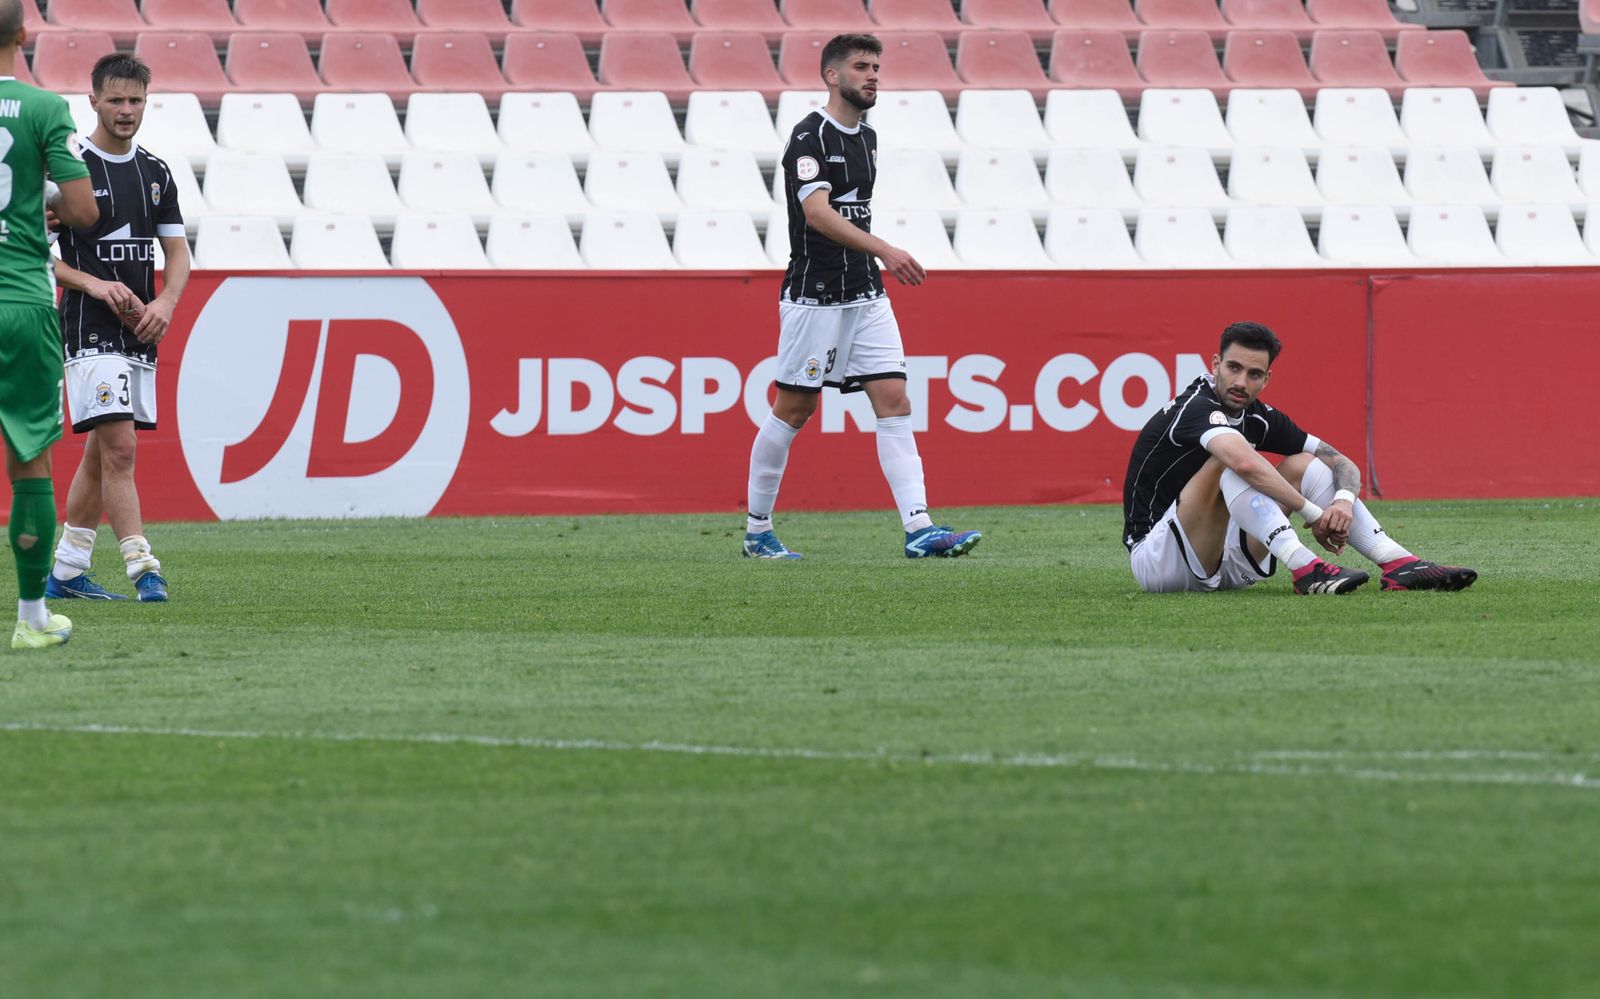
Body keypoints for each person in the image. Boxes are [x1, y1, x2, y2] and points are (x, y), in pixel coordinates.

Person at [742, 33, 980, 560]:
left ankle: (919, 529)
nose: (873, 75)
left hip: (865, 294)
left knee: (894, 401)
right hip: (815, 294)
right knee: (795, 409)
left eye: (876, 66)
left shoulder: (866, 137)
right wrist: (886, 251)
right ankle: (758, 531)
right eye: (861, 66)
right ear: (832, 75)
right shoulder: (809, 136)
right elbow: (819, 214)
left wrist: (874, 262)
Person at [1122, 321, 1477, 595]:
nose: (1241, 381)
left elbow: (1342, 463)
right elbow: (1244, 464)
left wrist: (1342, 504)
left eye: (1254, 374)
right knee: (1232, 461)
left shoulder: (1259, 416)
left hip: (1222, 558)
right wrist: (1314, 515)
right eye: (1233, 368)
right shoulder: (1196, 406)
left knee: (1305, 465)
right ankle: (1306, 568)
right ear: (1215, 364)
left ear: (1267, 378)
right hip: (1158, 561)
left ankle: (1398, 561)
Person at [44, 53, 187, 603]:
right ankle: (142, 565)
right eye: (116, 100)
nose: (126, 111)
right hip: (87, 325)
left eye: (136, 101)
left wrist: (168, 302)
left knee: (102, 454)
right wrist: (95, 285)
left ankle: (66, 571)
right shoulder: (67, 167)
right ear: (94, 101)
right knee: (121, 448)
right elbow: (33, 250)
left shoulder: (155, 172)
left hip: (138, 330)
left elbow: (177, 252)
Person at [0, 2, 100, 650]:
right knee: (29, 461)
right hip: (20, 301)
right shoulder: (44, 109)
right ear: (24, 33)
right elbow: (84, 209)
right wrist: (47, 205)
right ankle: (33, 618)